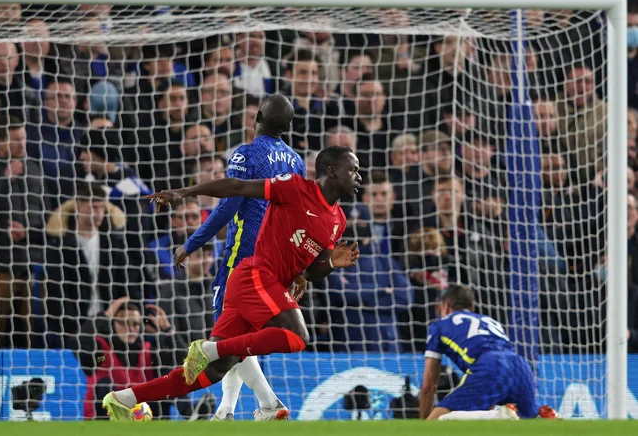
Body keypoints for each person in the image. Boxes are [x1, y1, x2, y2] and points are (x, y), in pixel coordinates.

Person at [102, 145, 361, 421]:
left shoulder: (338, 220)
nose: (359, 176)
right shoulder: (295, 188)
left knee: (212, 371)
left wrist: (332, 262)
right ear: (332, 171)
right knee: (297, 337)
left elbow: (311, 271)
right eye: (353, 170)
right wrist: (185, 192)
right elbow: (237, 186)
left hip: (263, 288)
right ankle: (231, 371)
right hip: (255, 275)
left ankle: (123, 399)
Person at [147, 94, 308, 421]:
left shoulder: (247, 154)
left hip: (244, 256)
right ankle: (226, 411)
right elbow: (298, 219)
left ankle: (268, 403)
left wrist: (190, 243)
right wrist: (299, 267)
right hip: (277, 262)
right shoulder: (297, 162)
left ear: (258, 115)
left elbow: (229, 206)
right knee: (237, 334)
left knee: (227, 336)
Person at [418, 285, 559, 420]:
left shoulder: (439, 326)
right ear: (472, 308)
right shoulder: (490, 321)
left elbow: (429, 385)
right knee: (531, 423)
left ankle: (498, 417)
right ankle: (546, 417)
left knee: (437, 421)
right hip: (520, 366)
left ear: (446, 306)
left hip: (490, 366)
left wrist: (424, 421)